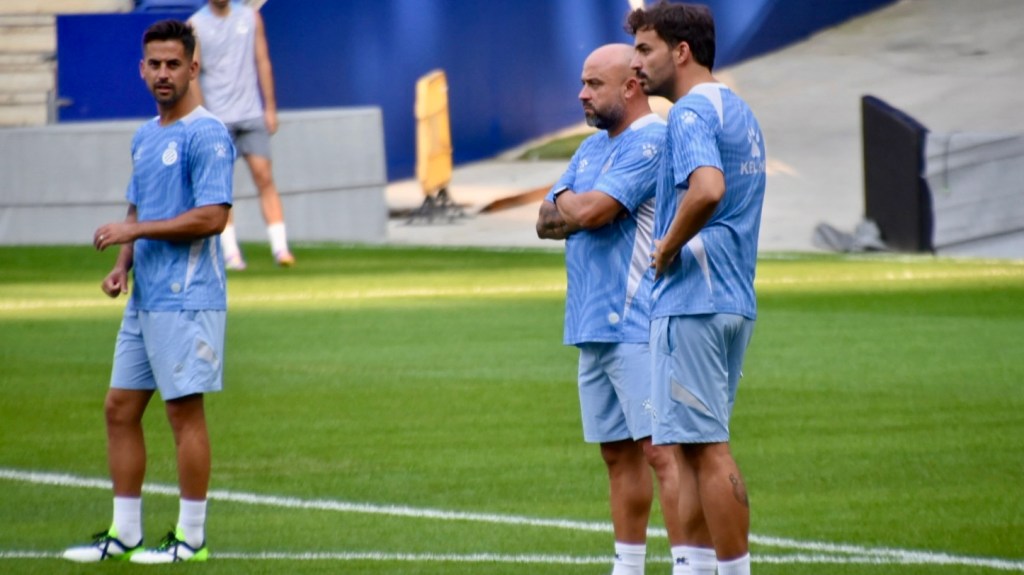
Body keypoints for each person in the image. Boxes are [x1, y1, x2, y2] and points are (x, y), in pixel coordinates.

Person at [62, 19, 234, 564]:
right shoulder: (144, 136)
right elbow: (138, 208)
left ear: (193, 67)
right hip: (146, 298)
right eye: (154, 64)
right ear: (141, 69)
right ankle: (126, 534)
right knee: (119, 408)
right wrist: (122, 266)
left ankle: (191, 539)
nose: (163, 73)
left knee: (183, 414)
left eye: (173, 64)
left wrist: (132, 232)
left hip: (189, 297)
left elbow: (213, 217)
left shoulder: (208, 134)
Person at [536, 43, 691, 575]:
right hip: (591, 325)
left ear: (630, 86)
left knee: (662, 451)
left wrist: (574, 203)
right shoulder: (590, 148)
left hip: (637, 323)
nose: (581, 94)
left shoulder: (651, 141)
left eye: (593, 84)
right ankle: (627, 568)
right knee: (616, 454)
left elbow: (592, 212)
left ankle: (689, 565)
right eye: (582, 83)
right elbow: (544, 220)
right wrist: (575, 204)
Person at [626, 3, 767, 575]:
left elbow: (707, 188)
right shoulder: (739, 109)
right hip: (732, 298)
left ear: (681, 52)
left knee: (706, 449)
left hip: (694, 300)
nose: (636, 64)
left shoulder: (688, 114)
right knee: (691, 446)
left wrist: (666, 245)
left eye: (645, 49)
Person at [189, 0, 294, 269]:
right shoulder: (196, 26)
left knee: (264, 177)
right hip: (218, 119)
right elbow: (193, 75)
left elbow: (262, 61)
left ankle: (280, 248)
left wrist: (270, 107)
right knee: (221, 187)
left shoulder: (250, 18)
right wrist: (204, 118)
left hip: (251, 114)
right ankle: (231, 252)